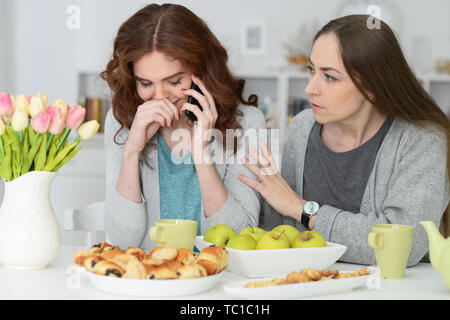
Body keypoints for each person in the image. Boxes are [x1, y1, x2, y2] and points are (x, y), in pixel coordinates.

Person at [239, 15, 450, 266]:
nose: (310, 88)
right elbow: (282, 234)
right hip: (310, 284)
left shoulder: (422, 140)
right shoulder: (302, 127)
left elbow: (403, 245)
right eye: (312, 70)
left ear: (373, 84)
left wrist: (302, 209)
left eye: (329, 77)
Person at [100, 3, 266, 249]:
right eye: (146, 83)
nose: (160, 96)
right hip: (152, 279)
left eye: (175, 80)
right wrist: (131, 152)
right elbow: (122, 241)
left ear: (200, 68)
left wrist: (201, 153)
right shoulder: (123, 123)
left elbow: (238, 238)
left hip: (221, 279)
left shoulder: (247, 124)